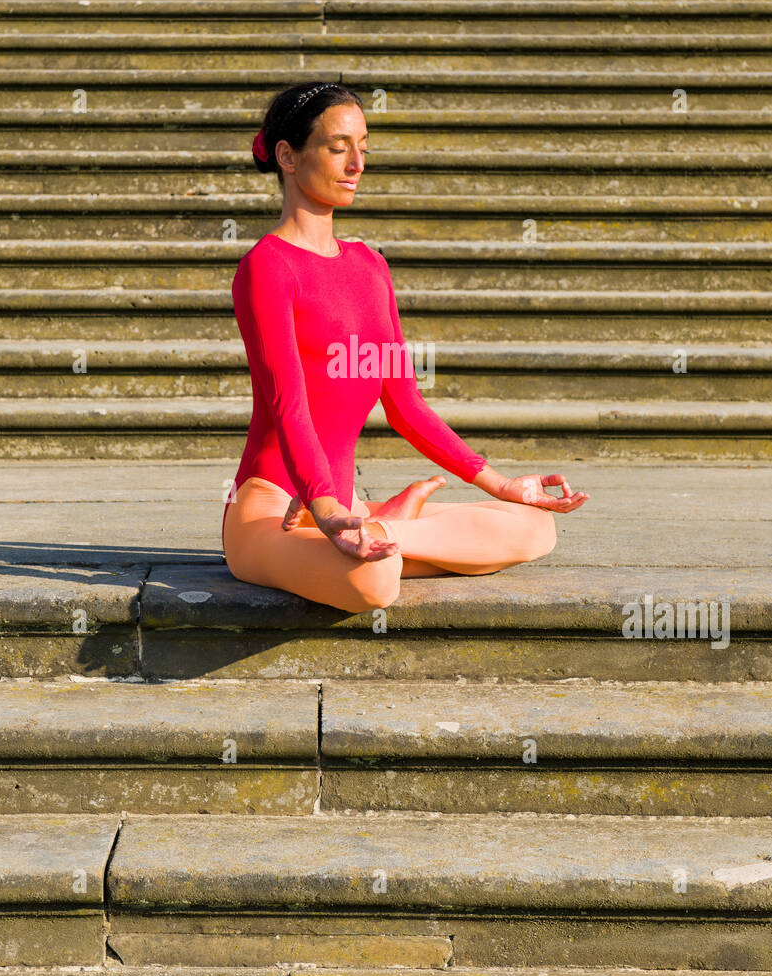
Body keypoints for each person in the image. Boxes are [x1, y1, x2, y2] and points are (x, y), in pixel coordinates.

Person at [222, 81, 589, 612]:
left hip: (341, 509)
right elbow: (289, 406)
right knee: (374, 584)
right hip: (272, 511)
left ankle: (380, 530)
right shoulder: (268, 267)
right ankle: (379, 534)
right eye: (337, 146)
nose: (356, 165)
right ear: (287, 156)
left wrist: (504, 485)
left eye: (363, 148)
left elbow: (406, 406)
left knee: (534, 527)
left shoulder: (370, 269)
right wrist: (325, 509)